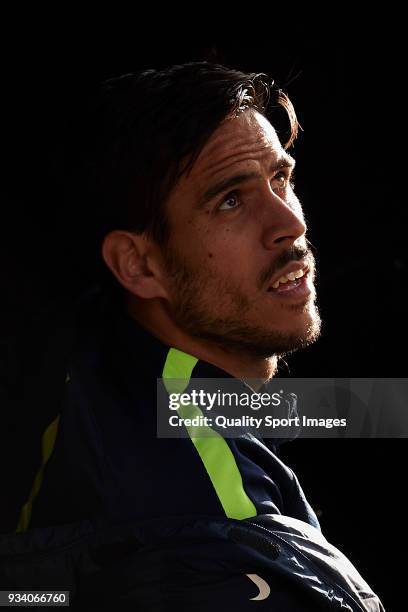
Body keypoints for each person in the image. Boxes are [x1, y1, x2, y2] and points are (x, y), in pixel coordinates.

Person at [2, 62, 385, 610]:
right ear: (138, 265)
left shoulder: (100, 339)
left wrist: (382, 411)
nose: (290, 224)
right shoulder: (221, 542)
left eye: (281, 180)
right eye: (230, 199)